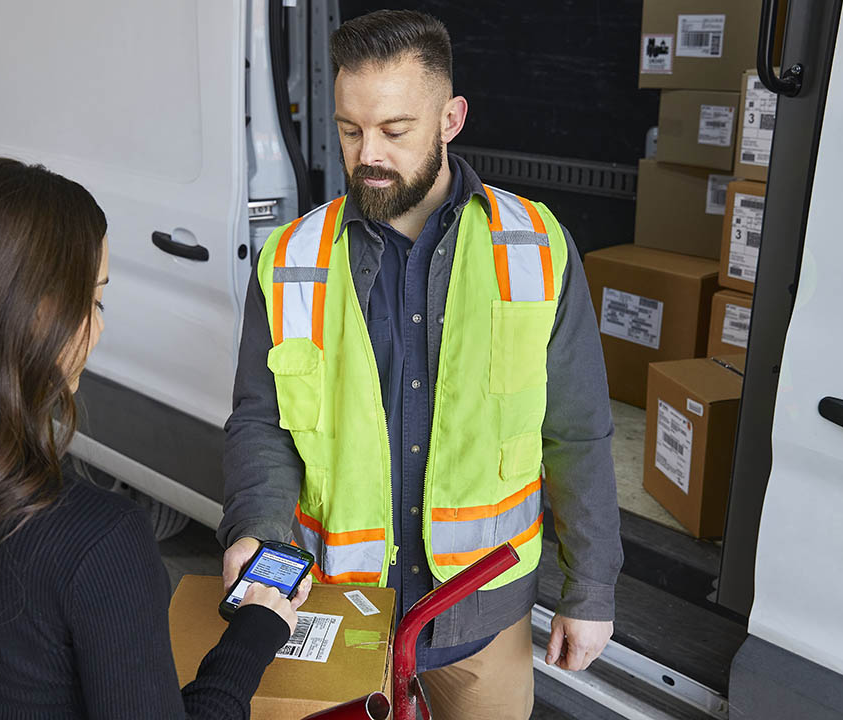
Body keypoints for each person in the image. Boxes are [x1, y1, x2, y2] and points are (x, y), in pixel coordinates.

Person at [218, 10, 623, 719]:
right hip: (335, 603)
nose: (367, 152)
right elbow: (261, 421)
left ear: (450, 119)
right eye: (349, 129)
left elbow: (578, 430)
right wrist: (255, 533)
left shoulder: (533, 246)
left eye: (395, 131)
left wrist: (590, 589)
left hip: (479, 614)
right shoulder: (290, 261)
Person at [0, 158, 307, 719]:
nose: (98, 328)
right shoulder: (99, 541)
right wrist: (256, 633)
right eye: (93, 300)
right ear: (39, 317)